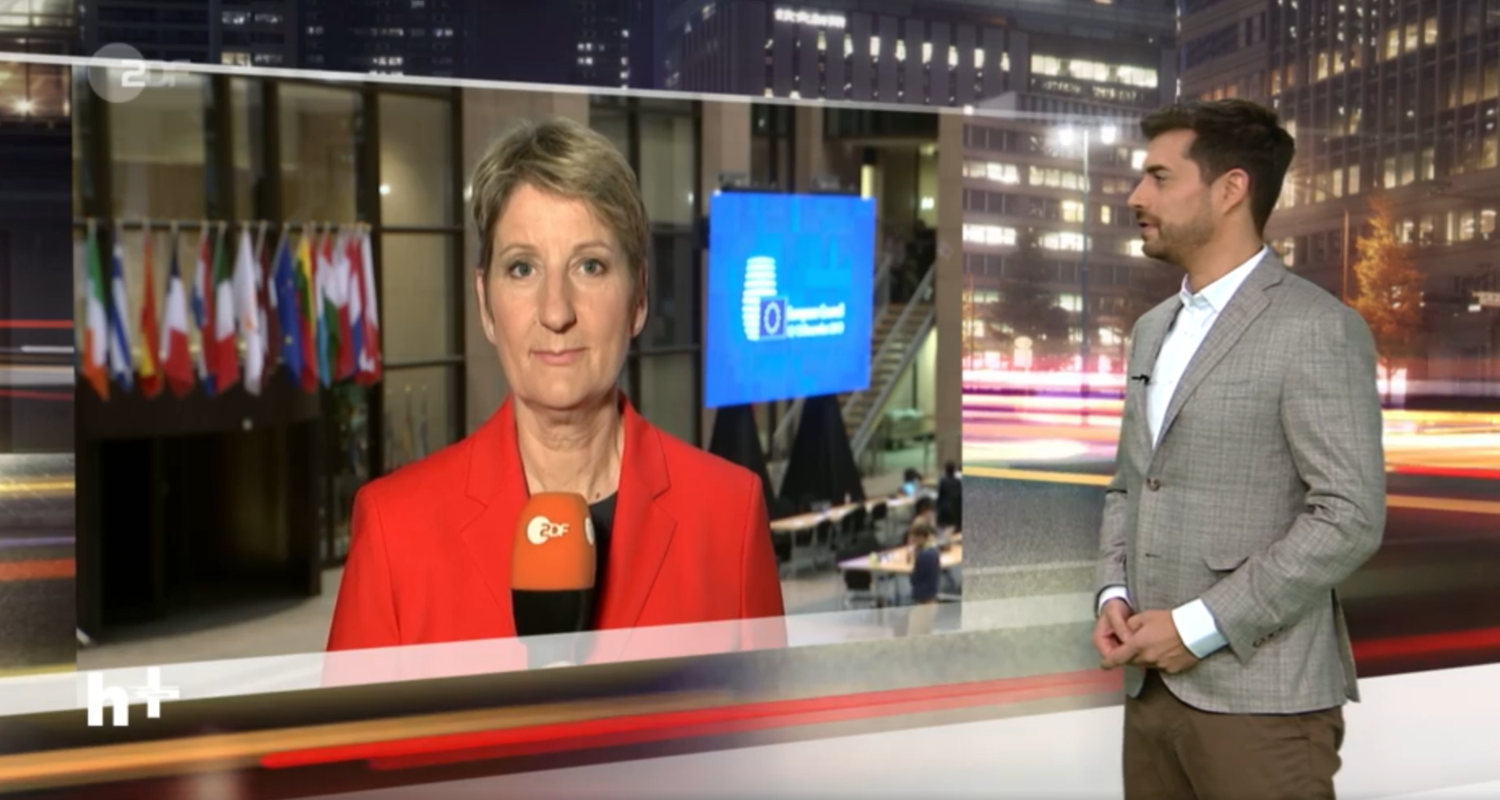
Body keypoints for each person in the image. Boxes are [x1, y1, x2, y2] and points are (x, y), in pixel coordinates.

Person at [328, 117, 785, 652]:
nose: (556, 311)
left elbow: (769, 711)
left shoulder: (729, 517)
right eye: (523, 269)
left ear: (638, 296)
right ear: (485, 303)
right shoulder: (395, 531)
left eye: (590, 266)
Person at [1092, 99, 1385, 800]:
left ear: (1230, 189)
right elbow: (1132, 484)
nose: (1136, 197)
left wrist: (1199, 627)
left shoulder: (1316, 328)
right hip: (1148, 694)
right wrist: (1114, 591)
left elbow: (1349, 517)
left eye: (1160, 177)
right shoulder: (1152, 328)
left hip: (1263, 706)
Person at [906, 521, 941, 605]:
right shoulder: (933, 550)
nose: (911, 540)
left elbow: (914, 579)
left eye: (914, 537)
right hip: (932, 591)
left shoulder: (923, 555)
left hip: (923, 595)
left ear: (920, 537)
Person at [935, 460, 962, 530]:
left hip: (945, 507)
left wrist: (937, 506)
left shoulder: (943, 481)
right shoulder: (958, 481)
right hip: (956, 508)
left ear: (946, 470)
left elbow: (940, 494)